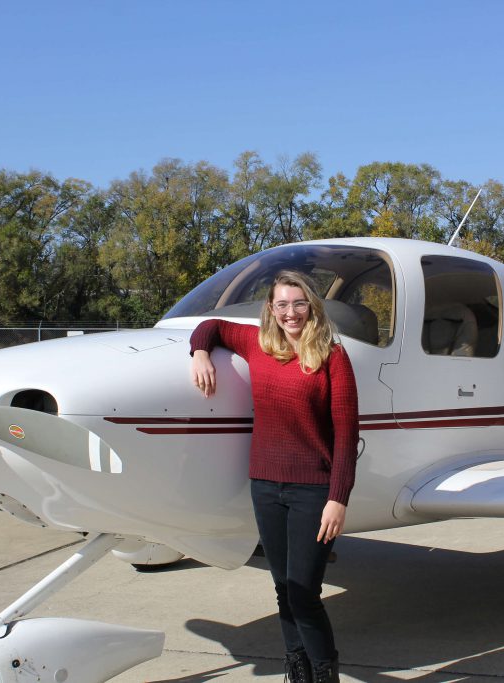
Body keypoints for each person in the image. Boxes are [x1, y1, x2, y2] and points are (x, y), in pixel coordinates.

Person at [189, 270, 358, 683]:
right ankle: (297, 671)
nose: (290, 312)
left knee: (304, 592)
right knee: (283, 588)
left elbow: (347, 434)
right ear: (271, 309)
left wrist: (338, 498)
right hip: (265, 486)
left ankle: (324, 675)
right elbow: (208, 326)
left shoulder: (332, 357)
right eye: (281, 304)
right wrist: (199, 353)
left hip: (313, 492)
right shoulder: (257, 345)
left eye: (298, 303)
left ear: (312, 307)